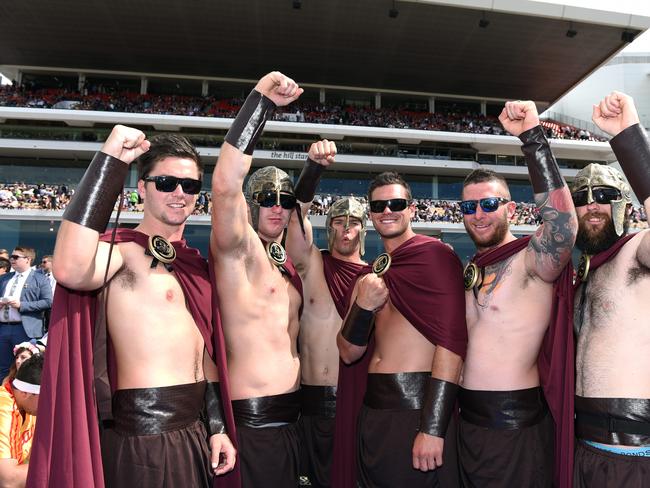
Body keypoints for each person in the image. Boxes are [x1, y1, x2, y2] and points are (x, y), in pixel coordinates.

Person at [26, 129, 236, 488]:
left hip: (194, 433)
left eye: (189, 185)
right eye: (166, 182)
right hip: (143, 440)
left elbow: (206, 355)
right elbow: (70, 269)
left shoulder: (194, 264)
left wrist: (216, 426)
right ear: (141, 188)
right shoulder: (119, 252)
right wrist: (110, 160)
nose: (179, 193)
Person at [458, 100, 578, 488]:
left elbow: (563, 227)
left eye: (490, 204)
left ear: (510, 208)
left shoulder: (531, 260)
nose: (479, 213)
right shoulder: (469, 270)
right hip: (467, 426)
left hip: (517, 429)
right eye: (470, 206)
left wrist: (532, 138)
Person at [336, 171, 467, 487]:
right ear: (370, 214)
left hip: (418, 412)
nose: (387, 211)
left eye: (396, 203)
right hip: (374, 414)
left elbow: (452, 342)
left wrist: (433, 427)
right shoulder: (369, 276)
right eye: (379, 206)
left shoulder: (436, 256)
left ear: (411, 208)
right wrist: (363, 307)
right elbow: (348, 352)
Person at [210, 71, 304, 487]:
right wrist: (261, 103)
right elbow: (226, 185)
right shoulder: (239, 250)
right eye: (267, 198)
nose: (278, 207)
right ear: (252, 203)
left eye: (286, 201)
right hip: (253, 420)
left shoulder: (286, 261)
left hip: (293, 419)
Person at [572, 91, 650, 487]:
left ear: (625, 204)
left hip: (635, 455)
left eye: (604, 195)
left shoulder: (638, 251)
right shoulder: (583, 273)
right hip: (583, 451)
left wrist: (627, 137)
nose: (592, 205)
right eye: (582, 198)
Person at [285, 142, 367, 488]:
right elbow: (294, 216)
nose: (345, 229)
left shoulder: (376, 278)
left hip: (358, 402)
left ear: (364, 229)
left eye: (353, 223)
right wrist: (313, 168)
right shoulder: (313, 265)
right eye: (337, 221)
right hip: (309, 402)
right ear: (328, 227)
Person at [0, 247, 52, 380]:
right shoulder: (4, 278)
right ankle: (4, 398)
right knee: (2, 368)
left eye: (16, 257)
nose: (12, 259)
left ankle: (22, 398)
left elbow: (48, 302)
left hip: (24, 329)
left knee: (25, 367)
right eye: (11, 257)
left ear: (28, 259)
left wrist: (22, 305)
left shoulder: (40, 279)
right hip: (3, 328)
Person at [0, 354, 43, 488]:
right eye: (44, 399)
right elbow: (9, 481)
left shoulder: (28, 406)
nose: (48, 406)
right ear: (25, 393)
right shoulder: (4, 406)